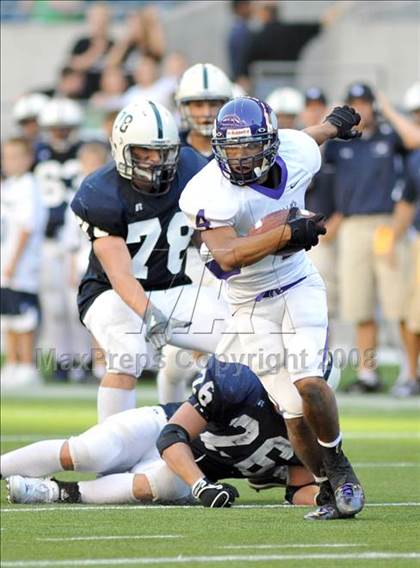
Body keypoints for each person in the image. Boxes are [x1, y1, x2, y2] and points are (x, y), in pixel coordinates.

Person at [179, 96, 365, 520]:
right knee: (292, 411)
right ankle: (325, 489)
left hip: (299, 283)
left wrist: (334, 124)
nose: (241, 158)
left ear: (271, 144)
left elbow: (309, 137)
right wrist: (285, 232)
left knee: (309, 382)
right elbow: (226, 255)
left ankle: (339, 465)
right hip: (248, 304)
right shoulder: (207, 190)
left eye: (250, 147)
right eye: (233, 149)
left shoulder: (296, 150)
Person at [70, 100, 229, 423]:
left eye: (163, 151)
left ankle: (227, 436)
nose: (156, 160)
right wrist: (149, 314)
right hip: (110, 293)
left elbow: (206, 233)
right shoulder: (100, 192)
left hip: (171, 286)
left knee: (239, 339)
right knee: (129, 355)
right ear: (122, 148)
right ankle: (110, 444)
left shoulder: (191, 168)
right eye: (144, 151)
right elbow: (118, 273)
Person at [3, 357, 329, 510]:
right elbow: (172, 435)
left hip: (182, 472)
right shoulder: (239, 382)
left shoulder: (311, 431)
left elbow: (298, 488)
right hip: (160, 430)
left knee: (160, 485)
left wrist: (328, 494)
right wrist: (200, 486)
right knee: (89, 452)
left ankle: (56, 493)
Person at [325, 83, 420, 392]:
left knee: (399, 304)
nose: (361, 108)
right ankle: (368, 374)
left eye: (365, 102)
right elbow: (311, 149)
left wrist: (386, 106)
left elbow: (414, 138)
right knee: (360, 305)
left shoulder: (388, 137)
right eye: (355, 102)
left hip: (386, 225)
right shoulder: (340, 144)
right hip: (353, 226)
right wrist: (335, 116)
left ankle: (410, 372)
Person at [34, 97, 84, 381]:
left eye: (65, 128)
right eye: (56, 128)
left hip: (78, 240)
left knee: (76, 304)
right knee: (52, 307)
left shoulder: (85, 153)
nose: (60, 134)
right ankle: (61, 361)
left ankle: (83, 361)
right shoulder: (37, 155)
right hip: (48, 240)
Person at [0, 138, 47, 388]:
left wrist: (13, 261)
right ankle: (12, 362)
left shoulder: (29, 186)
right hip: (5, 262)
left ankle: (27, 364)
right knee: (7, 315)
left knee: (23, 316)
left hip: (22, 264)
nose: (10, 162)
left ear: (28, 159)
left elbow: (26, 228)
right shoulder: (8, 186)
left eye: (16, 156)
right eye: (6, 157)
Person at [302, 88, 340, 318]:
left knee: (323, 303)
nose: (314, 112)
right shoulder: (293, 144)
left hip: (324, 232)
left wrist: (336, 221)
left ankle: (325, 353)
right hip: (294, 233)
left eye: (319, 107)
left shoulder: (336, 147)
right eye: (310, 107)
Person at [176, 63, 233, 160]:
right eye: (198, 105)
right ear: (184, 108)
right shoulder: (174, 150)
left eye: (213, 104)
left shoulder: (237, 149)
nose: (207, 113)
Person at [68, 2, 114, 99]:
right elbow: (74, 67)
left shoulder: (113, 45)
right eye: (96, 19)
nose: (100, 23)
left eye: (103, 18)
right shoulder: (82, 43)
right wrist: (96, 50)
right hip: (82, 96)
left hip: (106, 97)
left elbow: (114, 69)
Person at [106, 7, 165, 80]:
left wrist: (152, 24)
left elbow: (158, 50)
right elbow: (110, 64)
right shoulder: (127, 45)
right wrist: (125, 42)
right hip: (128, 85)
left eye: (136, 24)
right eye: (130, 24)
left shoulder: (150, 44)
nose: (133, 28)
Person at [226, 0, 253, 84]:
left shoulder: (240, 28)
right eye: (248, 4)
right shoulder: (239, 31)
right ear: (241, 7)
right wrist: (241, 77)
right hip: (242, 80)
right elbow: (239, 59)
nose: (252, 8)